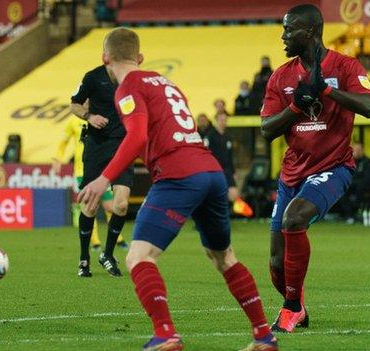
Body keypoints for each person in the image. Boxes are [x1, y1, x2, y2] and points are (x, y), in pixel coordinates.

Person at [79, 27, 277, 351]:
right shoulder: (164, 81)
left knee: (139, 256)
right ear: (140, 57)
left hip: (178, 174)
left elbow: (138, 136)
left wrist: (104, 178)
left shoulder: (127, 87)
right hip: (210, 172)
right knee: (223, 256)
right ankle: (263, 336)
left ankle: (165, 333)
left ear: (105, 58)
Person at [261, 4, 370, 333]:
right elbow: (267, 129)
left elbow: (368, 106)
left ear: (309, 32)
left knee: (294, 218)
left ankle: (292, 308)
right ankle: (298, 305)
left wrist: (326, 90)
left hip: (333, 166)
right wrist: (296, 106)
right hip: (292, 173)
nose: (283, 36)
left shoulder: (346, 65)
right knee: (276, 265)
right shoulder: (280, 76)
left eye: (288, 30)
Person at [70, 61, 134, 278]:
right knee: (90, 204)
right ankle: (84, 257)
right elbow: (75, 104)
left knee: (122, 204)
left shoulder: (132, 79)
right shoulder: (93, 77)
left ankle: (107, 254)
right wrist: (89, 117)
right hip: (96, 147)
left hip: (123, 146)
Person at [52, 115, 127, 252]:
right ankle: (95, 243)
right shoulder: (73, 120)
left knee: (111, 207)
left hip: (102, 171)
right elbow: (64, 141)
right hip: (82, 172)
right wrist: (57, 159)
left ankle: (118, 239)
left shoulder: (103, 116)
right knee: (90, 207)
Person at [337, 143, 370, 223]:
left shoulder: (368, 162)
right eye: (355, 150)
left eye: (359, 150)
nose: (357, 152)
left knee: (360, 188)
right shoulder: (348, 162)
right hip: (351, 186)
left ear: (363, 151)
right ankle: (348, 215)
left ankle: (355, 214)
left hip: (363, 187)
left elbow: (368, 179)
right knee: (341, 190)